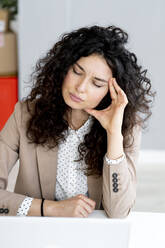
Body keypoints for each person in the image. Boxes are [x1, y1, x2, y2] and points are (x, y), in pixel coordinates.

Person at [0, 25, 155, 218]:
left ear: (111, 92)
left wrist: (113, 134)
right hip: (36, 231)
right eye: (76, 71)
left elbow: (118, 211)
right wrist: (50, 209)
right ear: (64, 68)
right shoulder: (25, 114)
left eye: (97, 83)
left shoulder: (124, 127)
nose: (80, 87)